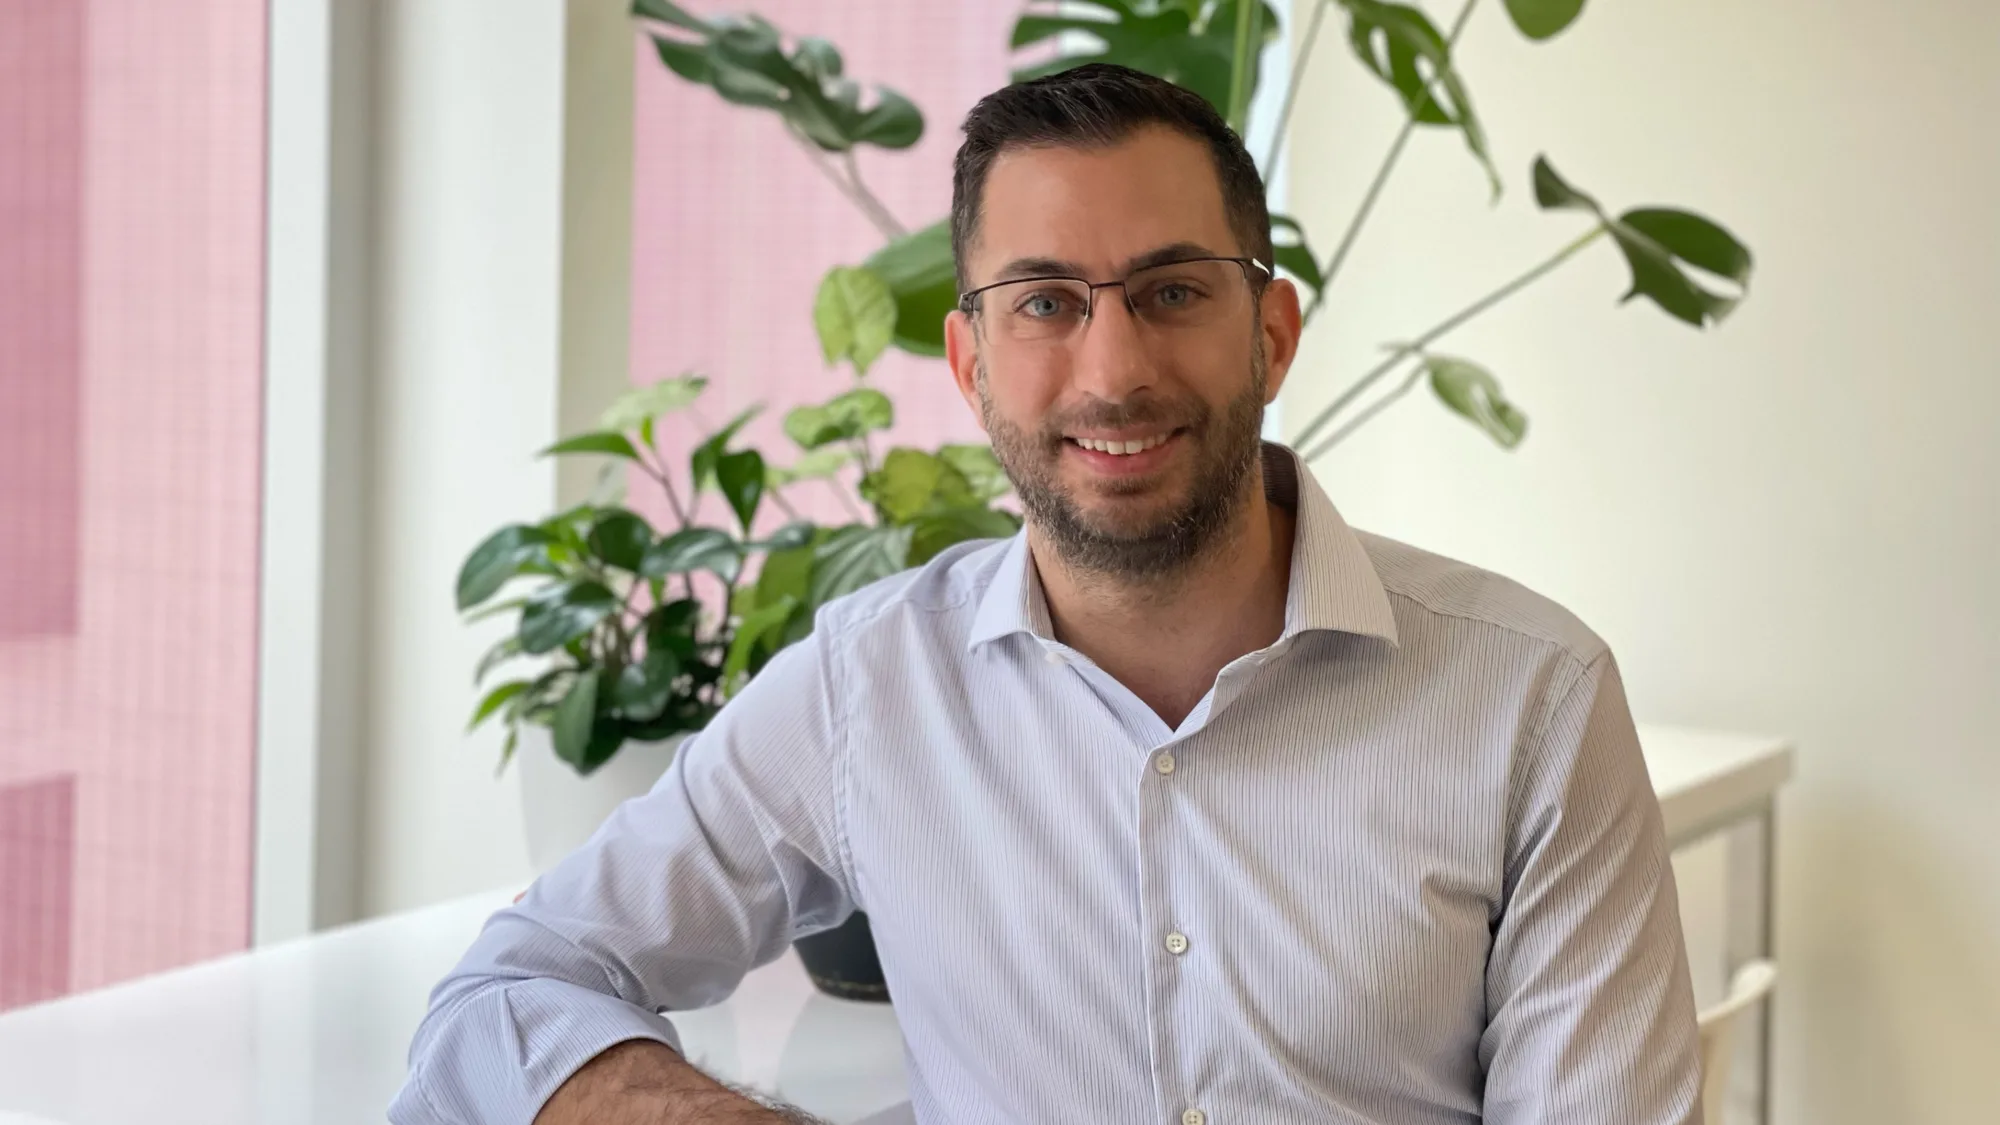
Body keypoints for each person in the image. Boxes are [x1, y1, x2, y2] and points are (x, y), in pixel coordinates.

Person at [391, 63, 1701, 1125]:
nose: (1113, 369)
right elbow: (514, 988)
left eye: (1174, 291)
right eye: (1045, 304)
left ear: (1275, 333)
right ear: (969, 361)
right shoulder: (868, 689)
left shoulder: (1534, 700)